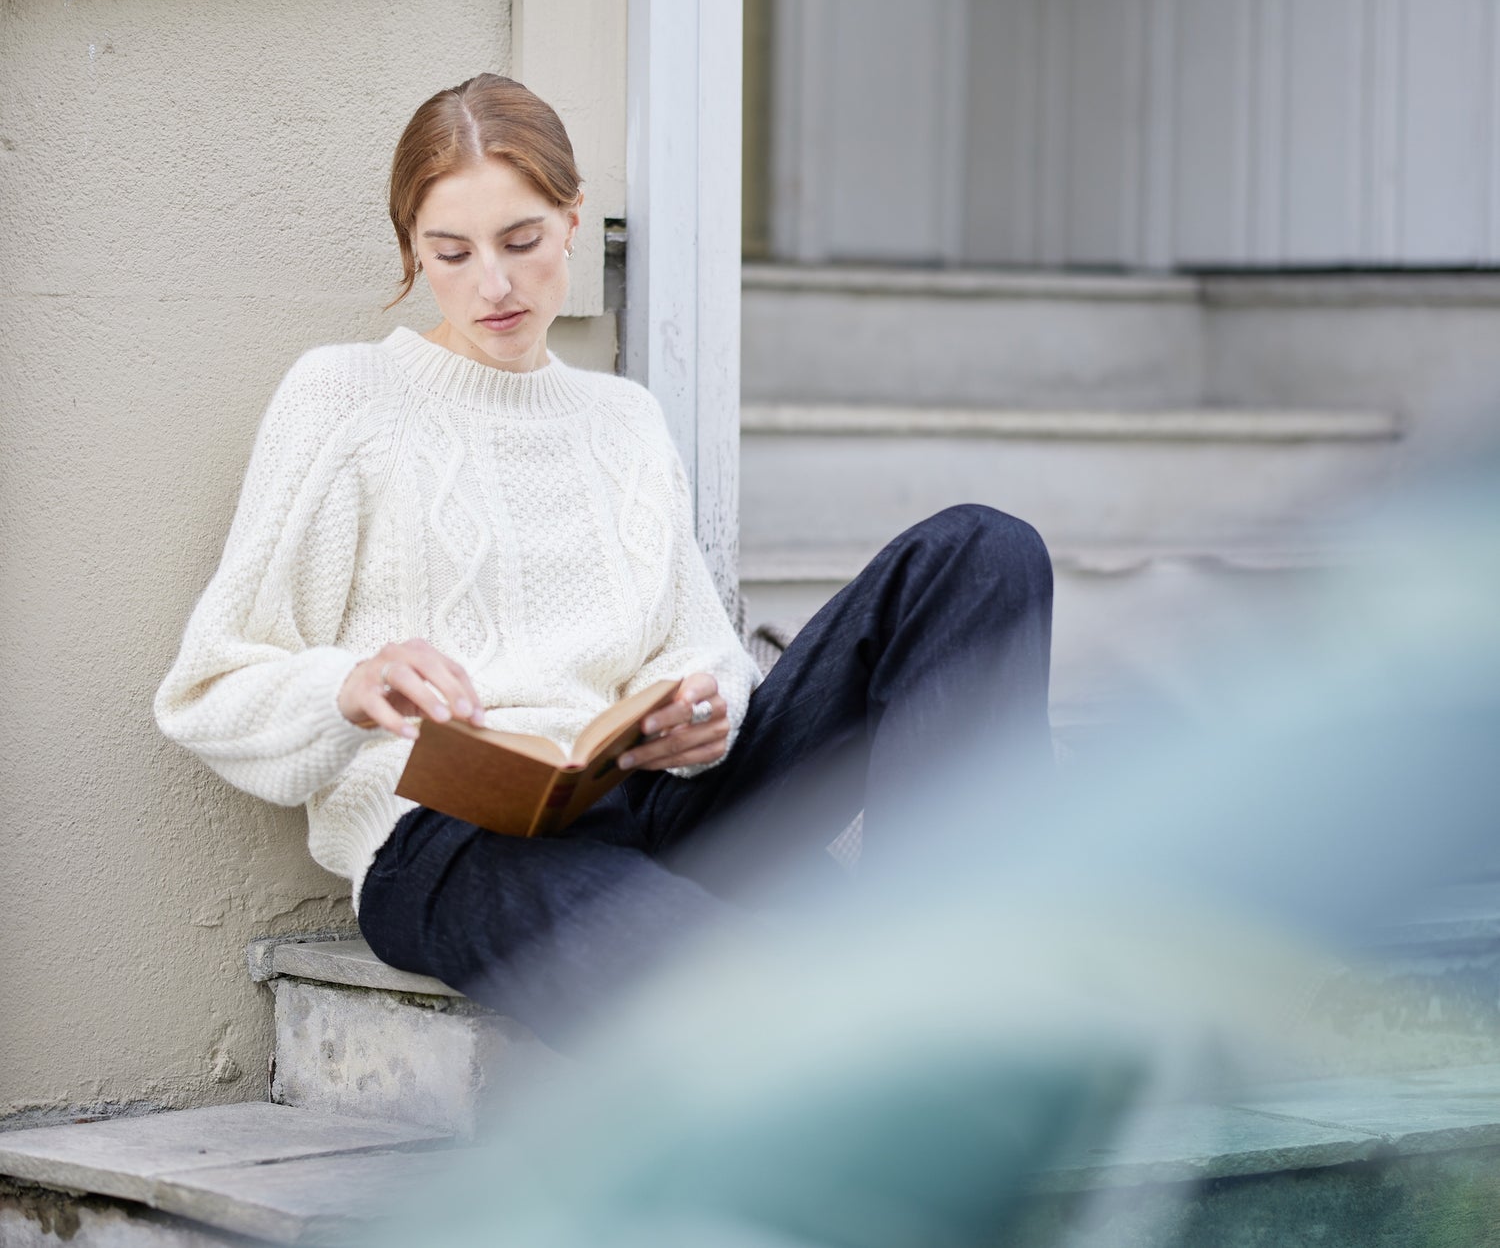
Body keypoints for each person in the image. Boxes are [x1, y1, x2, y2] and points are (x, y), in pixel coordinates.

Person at [154, 73, 1054, 1045]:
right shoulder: (344, 398)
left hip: (661, 801)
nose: (492, 286)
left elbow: (697, 652)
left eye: (523, 242)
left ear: (574, 221)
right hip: (455, 848)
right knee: (725, 968)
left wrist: (698, 713)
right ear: (413, 250)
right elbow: (208, 688)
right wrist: (350, 684)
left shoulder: (623, 420)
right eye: (449, 254)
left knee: (984, 553)